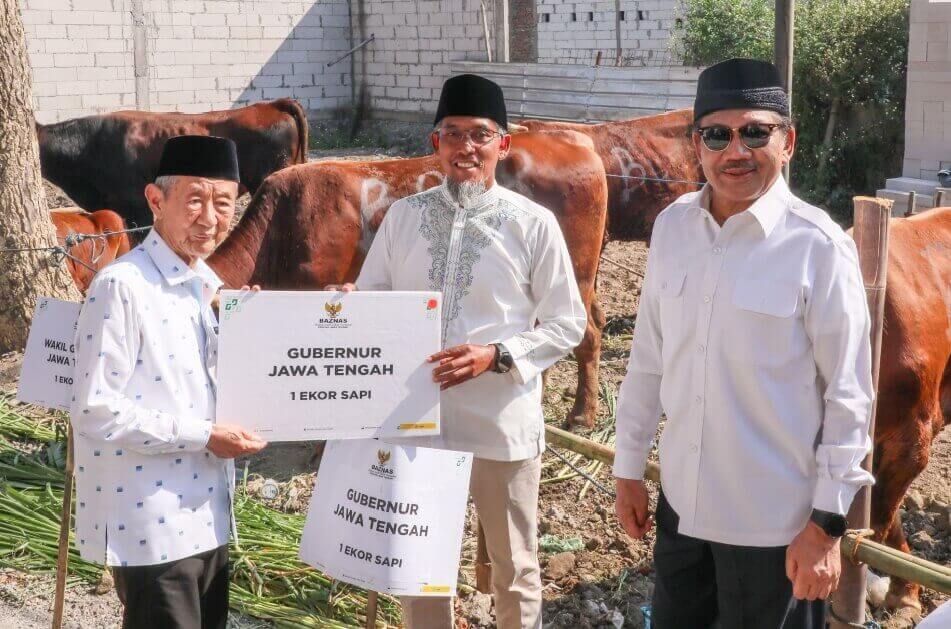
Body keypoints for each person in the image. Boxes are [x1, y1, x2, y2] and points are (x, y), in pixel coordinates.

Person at [612, 58, 875, 628]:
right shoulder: (673, 228)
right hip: (681, 512)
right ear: (696, 145)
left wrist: (826, 526)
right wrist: (628, 468)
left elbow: (849, 398)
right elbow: (649, 360)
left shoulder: (818, 247)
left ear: (788, 141)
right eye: (717, 134)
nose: (736, 151)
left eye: (756, 132)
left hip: (777, 533)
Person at [327, 74, 587, 628]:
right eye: (454, 135)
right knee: (422, 564)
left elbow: (569, 322)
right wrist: (347, 306)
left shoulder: (532, 224)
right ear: (435, 143)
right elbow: (375, 302)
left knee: (515, 567)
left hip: (501, 424)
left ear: (504, 144)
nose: (467, 147)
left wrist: (498, 355)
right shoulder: (403, 217)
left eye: (480, 135)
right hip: (420, 425)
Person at [70, 135, 267, 629]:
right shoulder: (122, 286)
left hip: (210, 515)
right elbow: (95, 408)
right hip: (151, 525)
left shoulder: (211, 287)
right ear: (156, 201)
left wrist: (290, 324)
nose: (210, 217)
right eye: (194, 200)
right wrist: (205, 436)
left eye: (223, 203)